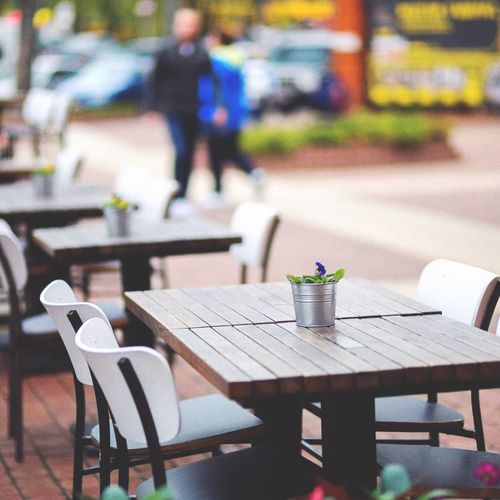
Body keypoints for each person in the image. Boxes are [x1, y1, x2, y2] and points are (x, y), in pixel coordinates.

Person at [145, 8, 223, 216]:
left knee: (190, 152)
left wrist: (217, 106)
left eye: (191, 24)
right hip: (173, 109)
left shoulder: (201, 51)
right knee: (181, 150)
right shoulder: (165, 50)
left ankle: (184, 194)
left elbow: (212, 80)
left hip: (194, 110)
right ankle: (177, 195)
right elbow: (154, 80)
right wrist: (151, 108)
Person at [198, 30, 265, 208]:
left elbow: (215, 87)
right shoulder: (237, 58)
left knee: (216, 154)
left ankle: (218, 192)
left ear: (218, 40)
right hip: (235, 113)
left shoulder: (216, 61)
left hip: (219, 114)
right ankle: (254, 173)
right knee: (232, 151)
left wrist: (216, 110)